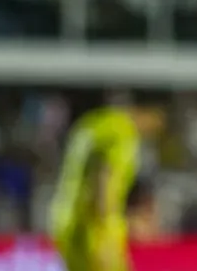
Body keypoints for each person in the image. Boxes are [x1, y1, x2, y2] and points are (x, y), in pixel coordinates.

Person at [49, 102, 163, 271]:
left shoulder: (93, 122)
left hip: (64, 219)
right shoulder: (122, 132)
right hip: (95, 225)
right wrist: (104, 233)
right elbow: (106, 179)